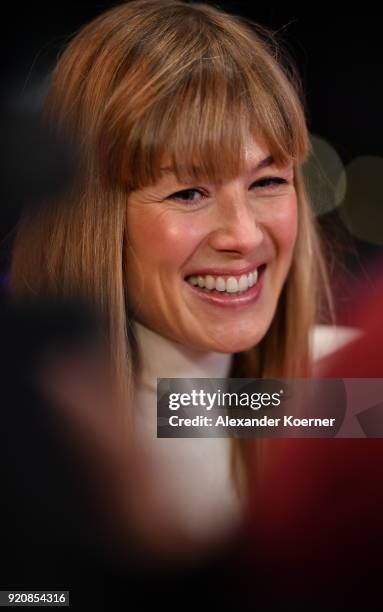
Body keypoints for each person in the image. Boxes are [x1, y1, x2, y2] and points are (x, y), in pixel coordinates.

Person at [7, 0, 334, 560]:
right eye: (189, 192)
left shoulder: (354, 390)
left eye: (268, 181)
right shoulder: (36, 452)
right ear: (91, 217)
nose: (244, 235)